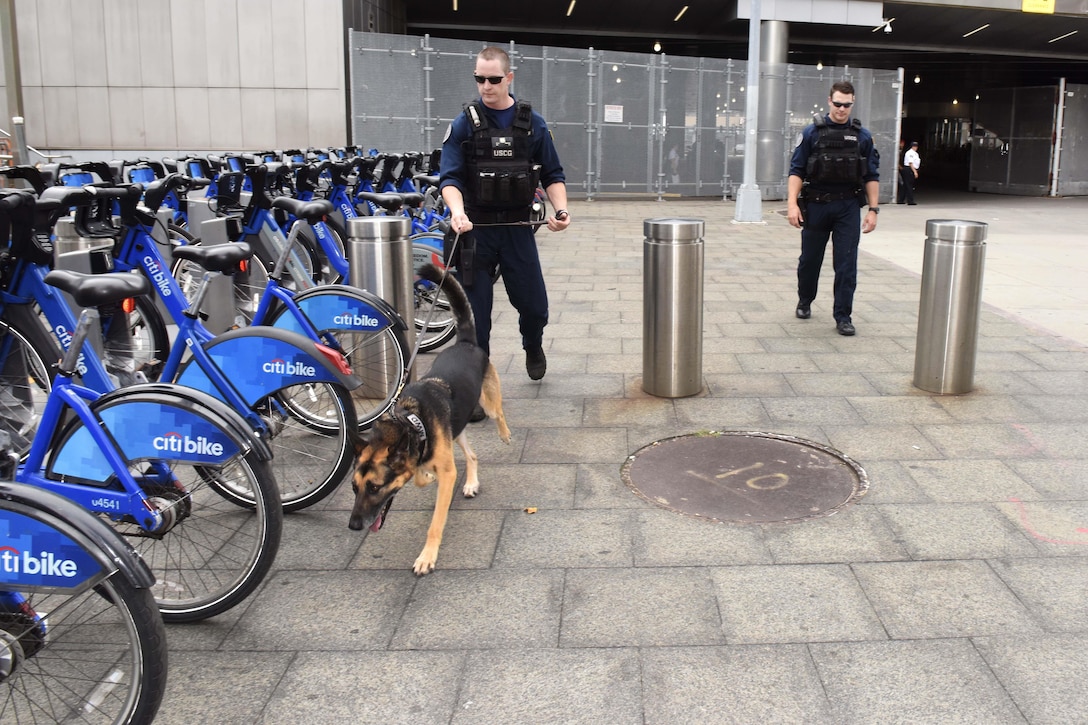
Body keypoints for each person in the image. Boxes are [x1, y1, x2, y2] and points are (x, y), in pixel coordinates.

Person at [439, 46, 570, 386]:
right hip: (475, 232)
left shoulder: (533, 124)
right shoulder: (463, 125)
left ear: (509, 78)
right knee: (475, 319)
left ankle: (533, 344)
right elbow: (449, 179)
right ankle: (476, 385)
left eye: (494, 79)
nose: (486, 86)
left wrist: (562, 210)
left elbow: (553, 174)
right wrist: (457, 213)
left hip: (517, 229)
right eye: (479, 79)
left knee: (535, 306)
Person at [786, 80, 880, 337]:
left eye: (846, 105)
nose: (841, 109)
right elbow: (796, 170)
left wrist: (873, 210)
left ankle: (843, 316)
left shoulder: (863, 136)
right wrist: (792, 204)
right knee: (809, 260)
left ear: (853, 103)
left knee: (847, 263)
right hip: (815, 205)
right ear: (829, 101)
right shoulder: (811, 133)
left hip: (848, 206)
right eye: (837, 103)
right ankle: (805, 300)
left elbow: (872, 175)